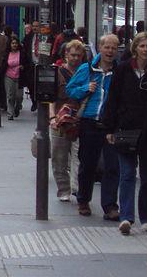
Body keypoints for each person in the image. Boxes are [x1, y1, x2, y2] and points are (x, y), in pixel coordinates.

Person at [103, 31, 147, 235]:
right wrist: (109, 128)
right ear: (135, 48)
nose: (145, 50)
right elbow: (113, 100)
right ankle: (126, 217)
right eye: (142, 46)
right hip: (126, 130)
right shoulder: (123, 70)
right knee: (127, 174)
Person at [66, 33, 121, 219]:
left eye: (114, 48)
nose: (110, 51)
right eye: (107, 47)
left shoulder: (120, 72)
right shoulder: (87, 69)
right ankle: (83, 200)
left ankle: (110, 206)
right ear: (100, 47)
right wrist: (85, 88)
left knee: (112, 166)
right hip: (89, 123)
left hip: (111, 125)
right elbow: (70, 90)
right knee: (88, 164)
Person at [50, 40, 88, 202]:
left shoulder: (86, 72)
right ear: (66, 54)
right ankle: (63, 189)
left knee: (78, 156)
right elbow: (51, 97)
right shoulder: (57, 72)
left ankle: (76, 188)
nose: (76, 58)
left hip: (80, 119)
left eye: (79, 55)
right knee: (59, 157)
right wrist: (52, 117)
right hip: (60, 119)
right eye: (73, 55)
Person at [3, 37, 27, 119]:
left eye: (16, 43)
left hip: (19, 77)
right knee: (10, 96)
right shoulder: (7, 54)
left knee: (19, 96)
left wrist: (23, 67)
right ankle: (10, 113)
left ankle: (17, 107)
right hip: (8, 76)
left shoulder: (22, 53)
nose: (14, 45)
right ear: (10, 45)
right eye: (13, 43)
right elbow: (4, 64)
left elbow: (27, 64)